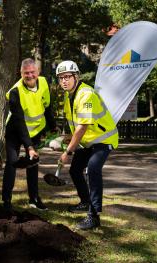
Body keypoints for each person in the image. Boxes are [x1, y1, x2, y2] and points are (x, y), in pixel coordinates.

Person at [56, 60, 118, 230]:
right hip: (89, 142)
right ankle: (85, 202)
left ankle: (94, 216)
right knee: (75, 170)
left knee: (92, 169)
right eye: (60, 78)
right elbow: (76, 126)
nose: (64, 81)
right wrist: (67, 137)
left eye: (67, 77)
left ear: (77, 77)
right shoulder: (69, 96)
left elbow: (82, 127)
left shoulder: (86, 94)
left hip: (104, 140)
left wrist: (67, 152)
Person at [2, 58, 57, 211]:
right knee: (12, 163)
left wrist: (53, 127)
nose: (30, 75)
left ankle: (34, 199)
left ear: (38, 72)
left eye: (33, 72)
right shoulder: (14, 92)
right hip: (15, 130)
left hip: (35, 130)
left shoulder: (44, 83)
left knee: (33, 164)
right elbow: (19, 121)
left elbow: (47, 107)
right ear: (21, 74)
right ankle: (6, 201)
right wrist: (29, 146)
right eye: (26, 73)